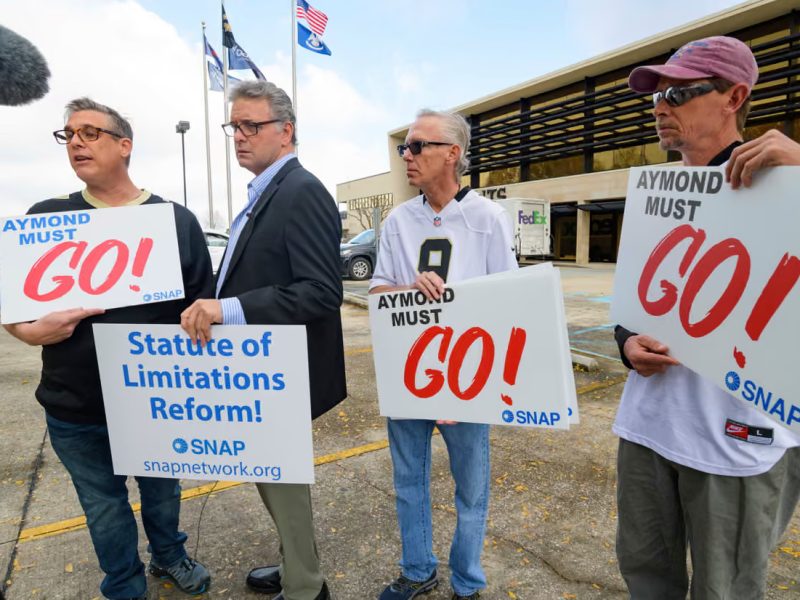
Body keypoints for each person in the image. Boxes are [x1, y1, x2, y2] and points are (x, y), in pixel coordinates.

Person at [4, 98, 213, 600]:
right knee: (103, 505)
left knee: (163, 495)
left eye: (90, 132)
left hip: (156, 402)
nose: (76, 141)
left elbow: (203, 311)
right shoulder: (46, 219)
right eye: (69, 134)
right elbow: (11, 309)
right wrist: (28, 333)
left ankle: (170, 557)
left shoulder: (174, 221)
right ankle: (124, 585)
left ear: (125, 145)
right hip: (75, 405)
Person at [614, 36, 800, 599]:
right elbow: (632, 307)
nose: (660, 107)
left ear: (733, 96)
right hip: (649, 427)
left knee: (726, 590)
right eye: (654, 97)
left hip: (741, 442)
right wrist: (625, 344)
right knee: (646, 576)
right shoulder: (656, 195)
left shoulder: (786, 186)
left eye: (677, 92)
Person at [180, 80, 345, 600]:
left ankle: (305, 586)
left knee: (283, 484)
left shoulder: (302, 190)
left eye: (252, 125)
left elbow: (322, 292)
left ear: (286, 130)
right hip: (259, 372)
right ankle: (293, 564)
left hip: (283, 374)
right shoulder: (264, 192)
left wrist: (227, 309)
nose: (239, 136)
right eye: (235, 126)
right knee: (269, 479)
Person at [369, 109, 518, 600]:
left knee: (470, 489)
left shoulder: (488, 219)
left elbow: (509, 300)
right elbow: (374, 293)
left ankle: (467, 582)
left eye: (417, 146)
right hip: (410, 371)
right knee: (409, 481)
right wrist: (405, 289)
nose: (406, 156)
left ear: (452, 153)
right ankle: (417, 570)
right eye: (404, 148)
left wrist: (473, 385)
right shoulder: (397, 220)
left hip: (467, 377)